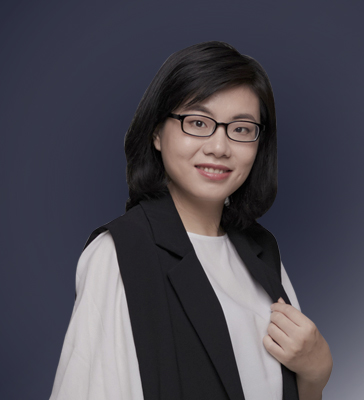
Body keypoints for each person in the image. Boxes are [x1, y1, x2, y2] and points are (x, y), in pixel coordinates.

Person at [49, 41, 332, 400]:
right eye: (198, 123)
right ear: (156, 132)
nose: (219, 147)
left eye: (241, 129)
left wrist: (315, 374)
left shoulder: (261, 251)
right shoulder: (121, 254)